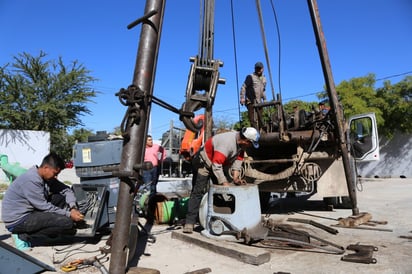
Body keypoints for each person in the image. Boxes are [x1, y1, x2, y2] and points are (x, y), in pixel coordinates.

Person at [183, 127, 260, 234]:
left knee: (220, 193)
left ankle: (220, 220)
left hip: (216, 164)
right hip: (204, 163)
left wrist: (236, 178)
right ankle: (190, 222)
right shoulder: (226, 143)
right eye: (250, 144)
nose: (250, 146)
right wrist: (225, 184)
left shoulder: (241, 146)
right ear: (246, 140)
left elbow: (238, 162)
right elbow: (216, 166)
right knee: (198, 192)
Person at [1, 152, 84, 251]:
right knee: (67, 223)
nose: (56, 177)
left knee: (60, 198)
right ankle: (22, 235)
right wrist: (69, 214)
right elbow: (44, 206)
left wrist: (73, 207)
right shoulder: (31, 180)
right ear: (46, 168)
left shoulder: (46, 177)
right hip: (18, 220)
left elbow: (66, 190)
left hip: (31, 210)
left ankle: (50, 230)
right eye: (55, 173)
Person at [240, 62, 267, 130]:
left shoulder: (264, 78)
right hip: (251, 101)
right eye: (257, 68)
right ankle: (254, 135)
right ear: (255, 68)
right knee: (252, 120)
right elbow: (243, 87)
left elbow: (263, 90)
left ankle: (261, 135)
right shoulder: (250, 77)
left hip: (259, 102)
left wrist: (265, 99)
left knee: (260, 120)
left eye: (259, 68)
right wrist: (242, 97)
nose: (258, 70)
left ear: (262, 69)